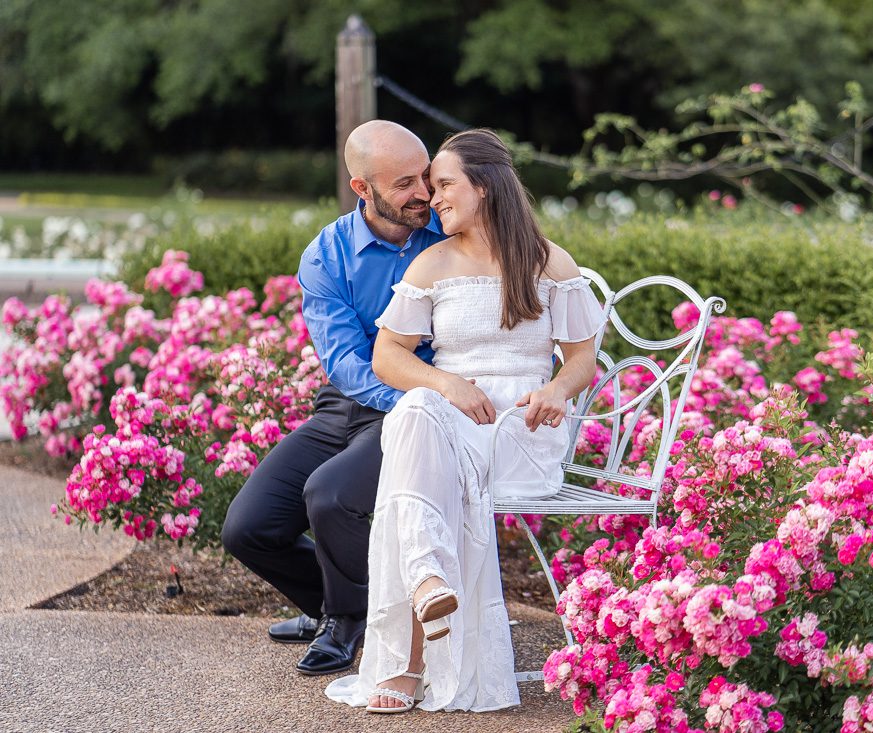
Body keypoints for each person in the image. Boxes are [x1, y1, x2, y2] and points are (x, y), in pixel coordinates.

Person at [323, 128, 604, 713]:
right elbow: (387, 355)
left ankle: (408, 661)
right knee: (419, 409)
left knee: (415, 447)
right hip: (451, 422)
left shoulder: (549, 262)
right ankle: (427, 582)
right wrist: (447, 382)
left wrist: (555, 389)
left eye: (444, 183)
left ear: (484, 187)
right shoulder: (432, 264)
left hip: (522, 433)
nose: (434, 196)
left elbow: (583, 359)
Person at [220, 120, 448, 676]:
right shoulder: (326, 254)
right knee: (248, 530)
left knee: (329, 496)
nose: (423, 193)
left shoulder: (450, 234)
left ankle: (345, 624)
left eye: (425, 177)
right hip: (349, 403)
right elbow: (343, 361)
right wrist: (398, 402)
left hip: (424, 403)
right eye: (403, 184)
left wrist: (417, 408)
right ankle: (340, 605)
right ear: (362, 189)